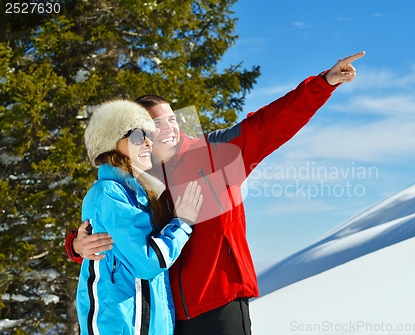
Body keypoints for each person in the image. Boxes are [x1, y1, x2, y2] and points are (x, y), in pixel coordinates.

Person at [66, 51, 365, 335]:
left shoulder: (214, 152)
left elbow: (270, 125)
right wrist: (76, 247)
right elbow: (119, 234)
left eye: (172, 118)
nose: (169, 127)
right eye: (155, 124)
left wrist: (324, 83)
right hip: (170, 318)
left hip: (221, 304)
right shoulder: (138, 181)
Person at [75, 99, 203, 335]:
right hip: (118, 327)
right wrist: (182, 223)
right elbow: (148, 262)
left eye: (147, 135)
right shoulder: (108, 193)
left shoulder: (141, 194)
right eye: (136, 136)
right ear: (110, 144)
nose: (147, 142)